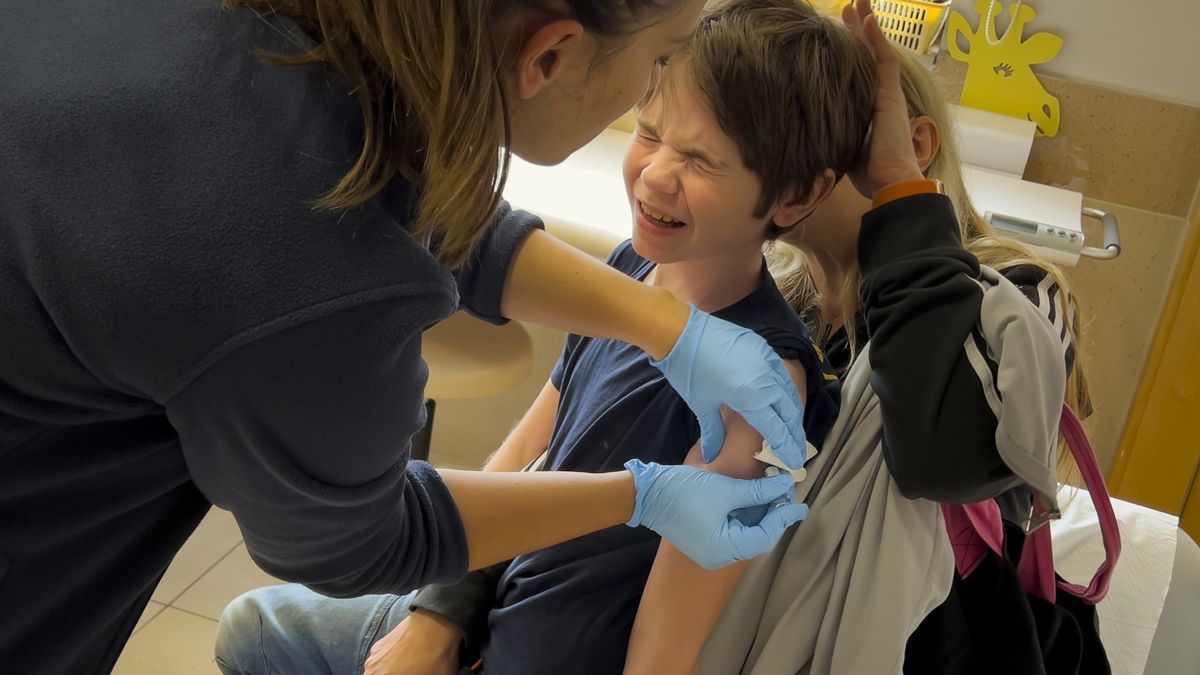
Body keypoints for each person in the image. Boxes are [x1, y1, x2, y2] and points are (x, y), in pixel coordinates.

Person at [0, 1, 838, 672]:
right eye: (655, 78)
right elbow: (366, 535)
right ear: (548, 55)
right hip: (482, 615)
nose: (653, 167)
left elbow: (665, 644)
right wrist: (631, 501)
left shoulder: (264, 57)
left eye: (702, 157)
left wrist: (662, 325)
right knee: (256, 625)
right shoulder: (304, 248)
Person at [695, 11, 1097, 673]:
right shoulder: (766, 296)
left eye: (805, 129)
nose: (769, 155)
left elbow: (943, 461)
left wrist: (899, 193)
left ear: (912, 143)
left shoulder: (1021, 298)